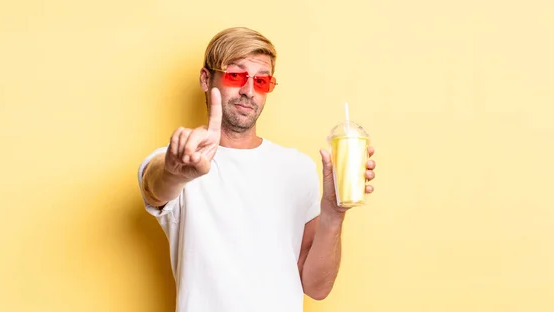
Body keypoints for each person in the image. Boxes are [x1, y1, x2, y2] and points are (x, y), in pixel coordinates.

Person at [137, 26, 377, 312]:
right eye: (236, 76)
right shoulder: (181, 158)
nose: (249, 91)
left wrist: (334, 214)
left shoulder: (297, 167)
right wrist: (175, 173)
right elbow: (155, 187)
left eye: (261, 81)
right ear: (206, 78)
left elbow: (316, 287)